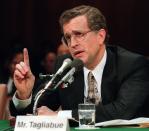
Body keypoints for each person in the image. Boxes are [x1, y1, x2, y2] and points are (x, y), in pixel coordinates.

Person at [10, 5, 149, 122]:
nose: (73, 44)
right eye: (68, 37)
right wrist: (24, 95)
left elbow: (121, 112)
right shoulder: (66, 65)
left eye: (79, 34)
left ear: (101, 36)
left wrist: (61, 116)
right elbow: (38, 112)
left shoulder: (132, 65)